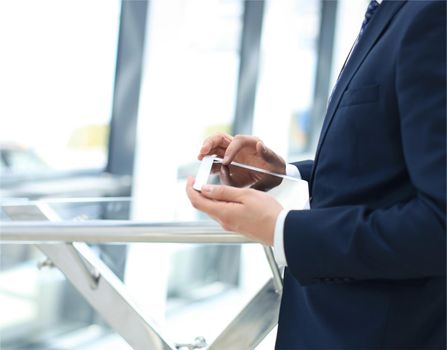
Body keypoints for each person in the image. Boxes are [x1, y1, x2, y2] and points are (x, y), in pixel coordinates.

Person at [186, 0, 446, 348]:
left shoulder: (432, 16)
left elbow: (439, 227)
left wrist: (284, 230)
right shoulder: (394, 12)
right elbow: (387, 169)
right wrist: (281, 175)